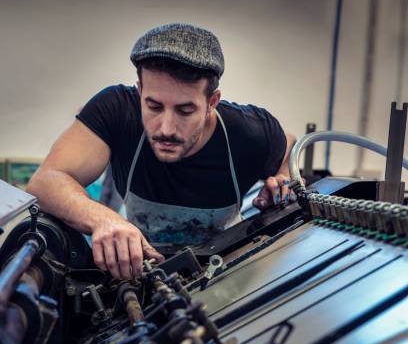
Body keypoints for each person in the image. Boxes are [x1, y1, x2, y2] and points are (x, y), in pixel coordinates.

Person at [27, 23, 296, 280]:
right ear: (139, 91)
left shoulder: (248, 132)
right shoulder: (116, 111)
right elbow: (45, 180)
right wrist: (102, 218)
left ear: (212, 102)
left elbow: (288, 143)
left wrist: (284, 176)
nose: (166, 128)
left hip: (222, 274)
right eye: (154, 107)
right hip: (141, 275)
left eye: (185, 111)